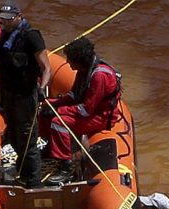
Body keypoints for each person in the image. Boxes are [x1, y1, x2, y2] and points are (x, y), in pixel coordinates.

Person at [39, 36, 122, 185]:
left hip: (100, 117)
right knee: (46, 113)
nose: (67, 62)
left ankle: (66, 166)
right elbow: (73, 95)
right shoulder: (84, 71)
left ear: (80, 60)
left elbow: (86, 109)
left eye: (70, 59)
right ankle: (51, 148)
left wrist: (59, 110)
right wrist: (51, 103)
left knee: (59, 122)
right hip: (89, 111)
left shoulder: (99, 76)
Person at [0, 0, 51, 188]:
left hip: (26, 95)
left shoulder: (31, 37)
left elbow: (46, 68)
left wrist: (42, 89)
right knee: (14, 136)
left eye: (10, 20)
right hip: (8, 93)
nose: (6, 23)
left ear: (19, 17)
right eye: (3, 20)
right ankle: (23, 170)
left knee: (28, 138)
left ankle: (34, 182)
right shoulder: (5, 37)